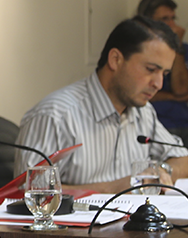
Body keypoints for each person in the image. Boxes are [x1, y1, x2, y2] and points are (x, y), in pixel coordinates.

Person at [14, 15, 188, 192]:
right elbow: (27, 192)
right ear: (115, 60)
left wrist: (162, 171)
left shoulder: (143, 112)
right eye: (151, 70)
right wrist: (109, 189)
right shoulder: (55, 115)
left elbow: (184, 160)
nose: (158, 84)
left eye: (164, 74)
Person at [138, 0, 188, 143]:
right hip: (156, 126)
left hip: (184, 124)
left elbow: (182, 89)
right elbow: (136, 90)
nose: (172, 25)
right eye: (164, 19)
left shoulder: (184, 49)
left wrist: (177, 47)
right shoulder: (138, 51)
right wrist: (172, 96)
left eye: (173, 18)